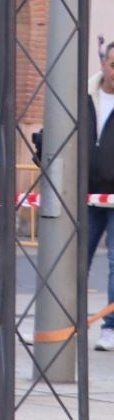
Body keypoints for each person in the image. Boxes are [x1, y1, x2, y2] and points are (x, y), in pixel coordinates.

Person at [85, 42, 114, 351]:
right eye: (113, 64)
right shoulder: (86, 96)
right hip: (86, 193)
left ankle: (110, 328)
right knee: (73, 260)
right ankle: (63, 320)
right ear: (104, 63)